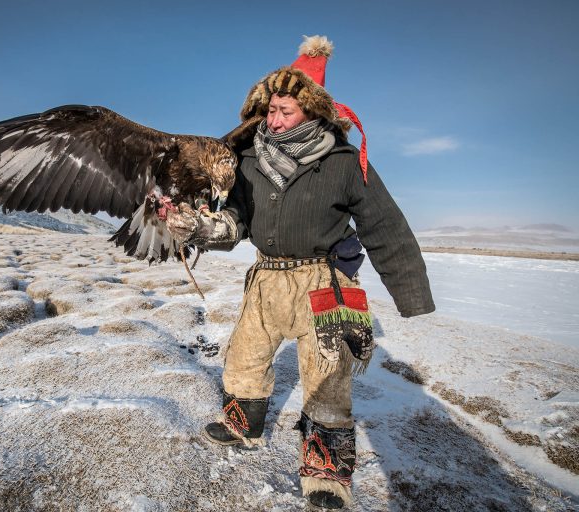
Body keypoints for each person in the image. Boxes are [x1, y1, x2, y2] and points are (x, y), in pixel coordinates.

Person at [166, 35, 435, 510]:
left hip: (326, 282)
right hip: (266, 279)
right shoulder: (247, 161)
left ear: (311, 111)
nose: (273, 120)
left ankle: (327, 472)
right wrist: (198, 227)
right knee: (245, 357)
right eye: (269, 111)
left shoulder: (345, 163)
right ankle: (241, 424)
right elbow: (237, 222)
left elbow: (385, 227)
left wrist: (410, 295)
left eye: (285, 111)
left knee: (328, 377)